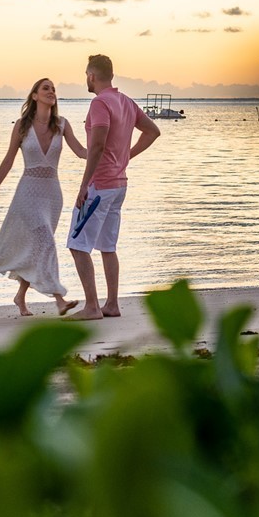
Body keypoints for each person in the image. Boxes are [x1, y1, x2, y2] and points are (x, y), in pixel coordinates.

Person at [0, 78, 87, 316]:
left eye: (54, 89)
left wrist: (106, 150)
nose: (51, 91)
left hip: (52, 194)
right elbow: (8, 160)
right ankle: (59, 299)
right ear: (34, 95)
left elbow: (81, 152)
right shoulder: (22, 126)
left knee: (38, 247)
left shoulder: (62, 124)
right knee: (45, 240)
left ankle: (20, 297)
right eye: (46, 88)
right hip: (28, 192)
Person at [66, 54, 161, 321]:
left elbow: (96, 145)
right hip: (119, 185)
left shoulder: (100, 103)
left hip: (100, 185)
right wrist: (126, 155)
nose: (86, 78)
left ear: (92, 76)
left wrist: (84, 185)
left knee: (78, 244)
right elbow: (152, 131)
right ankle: (112, 304)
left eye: (86, 74)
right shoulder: (126, 102)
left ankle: (93, 307)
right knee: (107, 246)